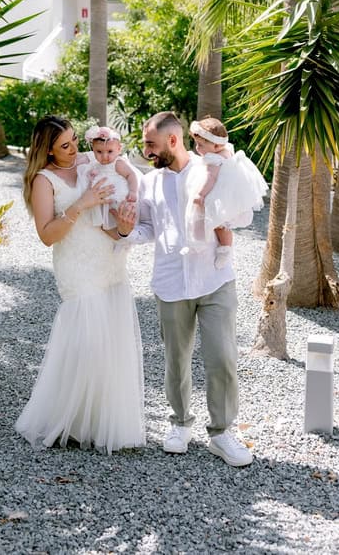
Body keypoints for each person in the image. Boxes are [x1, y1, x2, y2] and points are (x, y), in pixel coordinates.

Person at [117, 111, 253, 466]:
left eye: (151, 143)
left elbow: (241, 215)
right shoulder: (149, 183)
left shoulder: (212, 169)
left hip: (215, 280)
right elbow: (147, 230)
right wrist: (125, 230)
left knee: (222, 358)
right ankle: (179, 424)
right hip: (170, 283)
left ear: (173, 141)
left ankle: (222, 433)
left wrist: (220, 219)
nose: (145, 150)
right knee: (176, 361)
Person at [15, 115, 145, 454]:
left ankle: (101, 423)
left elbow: (124, 184)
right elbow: (46, 235)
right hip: (77, 265)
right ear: (48, 151)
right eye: (65, 146)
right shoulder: (44, 181)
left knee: (110, 344)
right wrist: (81, 203)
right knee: (85, 342)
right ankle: (69, 420)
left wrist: (126, 227)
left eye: (75, 140)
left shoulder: (93, 160)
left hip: (109, 259)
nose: (75, 150)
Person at [186, 115, 268, 270]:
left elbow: (211, 177)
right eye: (197, 144)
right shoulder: (226, 149)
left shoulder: (213, 158)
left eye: (201, 145)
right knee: (222, 223)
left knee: (218, 223)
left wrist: (201, 194)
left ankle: (223, 249)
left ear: (216, 146)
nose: (197, 148)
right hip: (231, 192)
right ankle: (219, 245)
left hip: (220, 192)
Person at [80, 125, 139, 230]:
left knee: (121, 217)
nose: (104, 156)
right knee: (106, 223)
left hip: (118, 197)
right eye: (99, 152)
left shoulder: (117, 163)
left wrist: (133, 191)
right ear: (93, 150)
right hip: (104, 200)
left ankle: (124, 233)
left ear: (119, 149)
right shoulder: (95, 165)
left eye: (110, 151)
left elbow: (131, 175)